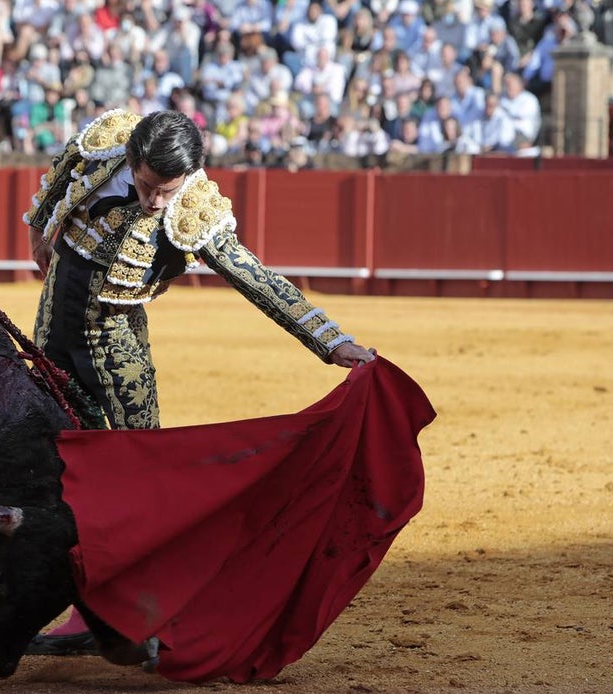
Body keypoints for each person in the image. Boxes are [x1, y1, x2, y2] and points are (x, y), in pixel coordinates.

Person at [21, 109, 375, 656]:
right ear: (130, 158)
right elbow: (61, 176)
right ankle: (62, 598)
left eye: (168, 190)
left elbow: (254, 276)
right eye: (145, 186)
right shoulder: (106, 142)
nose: (155, 202)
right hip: (54, 317)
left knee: (142, 474)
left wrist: (329, 340)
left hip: (115, 339)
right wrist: (42, 232)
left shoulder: (194, 208)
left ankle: (147, 614)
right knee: (45, 453)